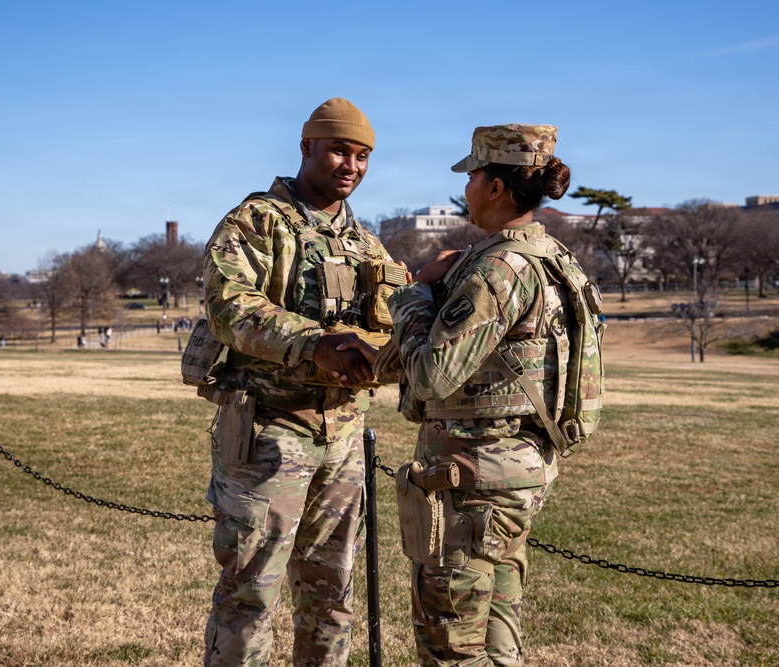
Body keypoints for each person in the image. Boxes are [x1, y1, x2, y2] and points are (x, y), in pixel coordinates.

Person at [201, 98, 398, 667]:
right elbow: (230, 308)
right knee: (250, 594)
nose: (351, 166)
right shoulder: (257, 221)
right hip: (269, 431)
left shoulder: (363, 241)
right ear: (307, 146)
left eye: (363, 156)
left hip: (343, 436)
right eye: (339, 149)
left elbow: (397, 312)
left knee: (331, 595)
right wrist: (314, 343)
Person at [387, 124, 582, 666]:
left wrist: (417, 293)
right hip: (515, 471)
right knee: (497, 641)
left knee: (451, 645)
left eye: (472, 175)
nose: (466, 186)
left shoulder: (497, 268)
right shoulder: (553, 257)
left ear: (496, 188)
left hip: (472, 486)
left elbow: (431, 376)